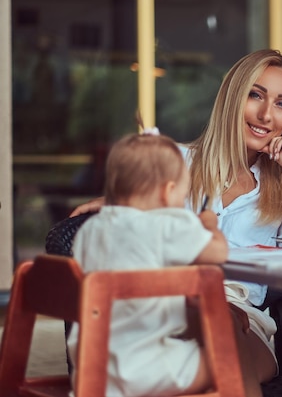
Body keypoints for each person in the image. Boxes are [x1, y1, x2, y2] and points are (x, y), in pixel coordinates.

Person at [69, 49, 282, 387]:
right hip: (166, 307)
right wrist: (124, 203)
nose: (267, 114)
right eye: (256, 95)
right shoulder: (174, 162)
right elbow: (129, 224)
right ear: (232, 98)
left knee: (225, 337)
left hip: (243, 317)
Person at [67, 132, 234, 397]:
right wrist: (210, 226)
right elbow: (217, 253)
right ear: (168, 193)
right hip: (149, 366)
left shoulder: (90, 229)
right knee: (227, 363)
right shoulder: (167, 224)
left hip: (91, 368)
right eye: (183, 194)